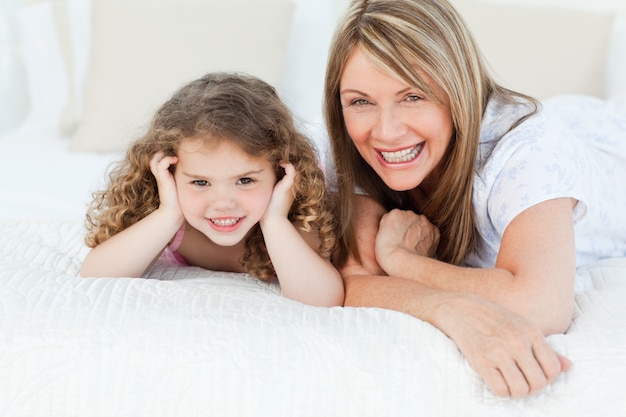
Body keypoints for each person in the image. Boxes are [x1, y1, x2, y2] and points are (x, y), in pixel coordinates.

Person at [323, 0, 626, 398]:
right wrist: (449, 308)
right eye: (361, 101)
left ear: (459, 88)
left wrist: (402, 261)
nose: (387, 131)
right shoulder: (348, 146)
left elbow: (540, 306)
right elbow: (353, 282)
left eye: (413, 95)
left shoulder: (526, 152)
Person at [80, 72, 344, 308]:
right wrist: (169, 214)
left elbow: (322, 299)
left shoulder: (298, 215)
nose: (223, 203)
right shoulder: (171, 218)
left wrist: (274, 222)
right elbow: (96, 274)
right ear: (169, 175)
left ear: (280, 174)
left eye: (245, 181)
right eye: (200, 182)